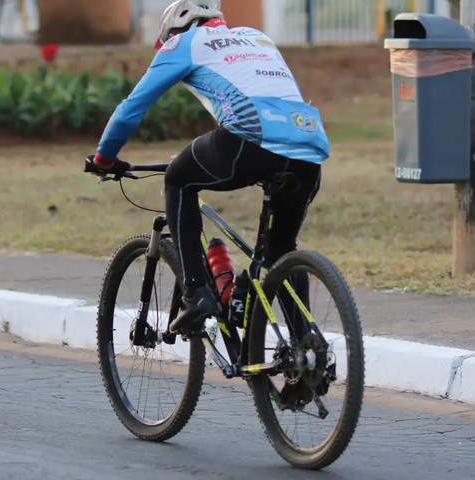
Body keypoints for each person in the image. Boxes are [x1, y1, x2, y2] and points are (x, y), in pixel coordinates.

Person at [88, 0, 329, 335]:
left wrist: (103, 158)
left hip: (251, 139)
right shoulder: (257, 38)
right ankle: (305, 350)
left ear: (176, 26)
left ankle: (196, 292)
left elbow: (132, 108)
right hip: (308, 143)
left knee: (178, 180)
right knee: (281, 251)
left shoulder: (184, 43)